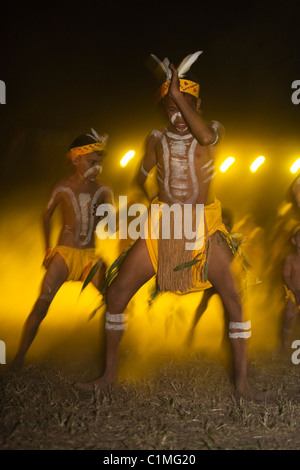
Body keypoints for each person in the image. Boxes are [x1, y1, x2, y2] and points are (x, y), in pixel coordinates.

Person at [76, 52, 267, 401]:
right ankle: (108, 377)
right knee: (117, 296)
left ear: (197, 103)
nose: (178, 116)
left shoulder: (212, 132)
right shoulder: (155, 139)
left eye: (185, 106)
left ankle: (242, 386)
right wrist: (148, 199)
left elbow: (205, 138)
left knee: (234, 301)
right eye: (171, 109)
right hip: (163, 225)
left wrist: (177, 93)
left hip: (204, 226)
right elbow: (141, 175)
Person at [10, 129, 114, 371]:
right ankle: (19, 357)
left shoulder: (103, 190)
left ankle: (110, 359)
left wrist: (108, 218)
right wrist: (48, 250)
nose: (97, 167)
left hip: (89, 256)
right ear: (76, 159)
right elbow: (46, 216)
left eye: (100, 163)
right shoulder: (62, 187)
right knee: (41, 305)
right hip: (64, 254)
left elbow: (108, 225)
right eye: (92, 162)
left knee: (114, 301)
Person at [281, 224, 300, 351]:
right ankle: (284, 346)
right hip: (294, 294)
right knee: (289, 317)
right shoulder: (291, 259)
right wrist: (294, 291)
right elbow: (286, 276)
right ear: (294, 241)